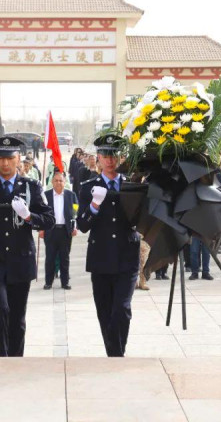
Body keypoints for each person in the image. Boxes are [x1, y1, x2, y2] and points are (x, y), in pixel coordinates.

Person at [0, 136, 54, 357]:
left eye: (10, 158)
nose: (5, 163)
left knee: (17, 318)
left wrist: (29, 217)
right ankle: (0, 357)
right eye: (1, 158)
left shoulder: (31, 187)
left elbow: (49, 219)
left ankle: (15, 361)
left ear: (18, 159)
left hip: (20, 260)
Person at [77, 134, 140, 357]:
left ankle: (117, 355)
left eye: (114, 155)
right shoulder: (88, 187)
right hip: (101, 257)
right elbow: (82, 225)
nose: (110, 160)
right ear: (98, 158)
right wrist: (94, 205)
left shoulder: (131, 185)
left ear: (120, 157)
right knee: (105, 312)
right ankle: (114, 355)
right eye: (105, 155)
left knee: (122, 309)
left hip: (127, 256)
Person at [41, 170, 78, 290]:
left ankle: (65, 282)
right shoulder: (45, 195)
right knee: (50, 258)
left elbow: (75, 212)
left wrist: (74, 227)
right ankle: (48, 282)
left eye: (61, 180)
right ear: (52, 182)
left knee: (64, 258)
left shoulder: (71, 195)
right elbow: (41, 213)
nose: (58, 183)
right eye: (56, 180)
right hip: (50, 231)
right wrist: (41, 229)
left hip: (65, 231)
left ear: (65, 182)